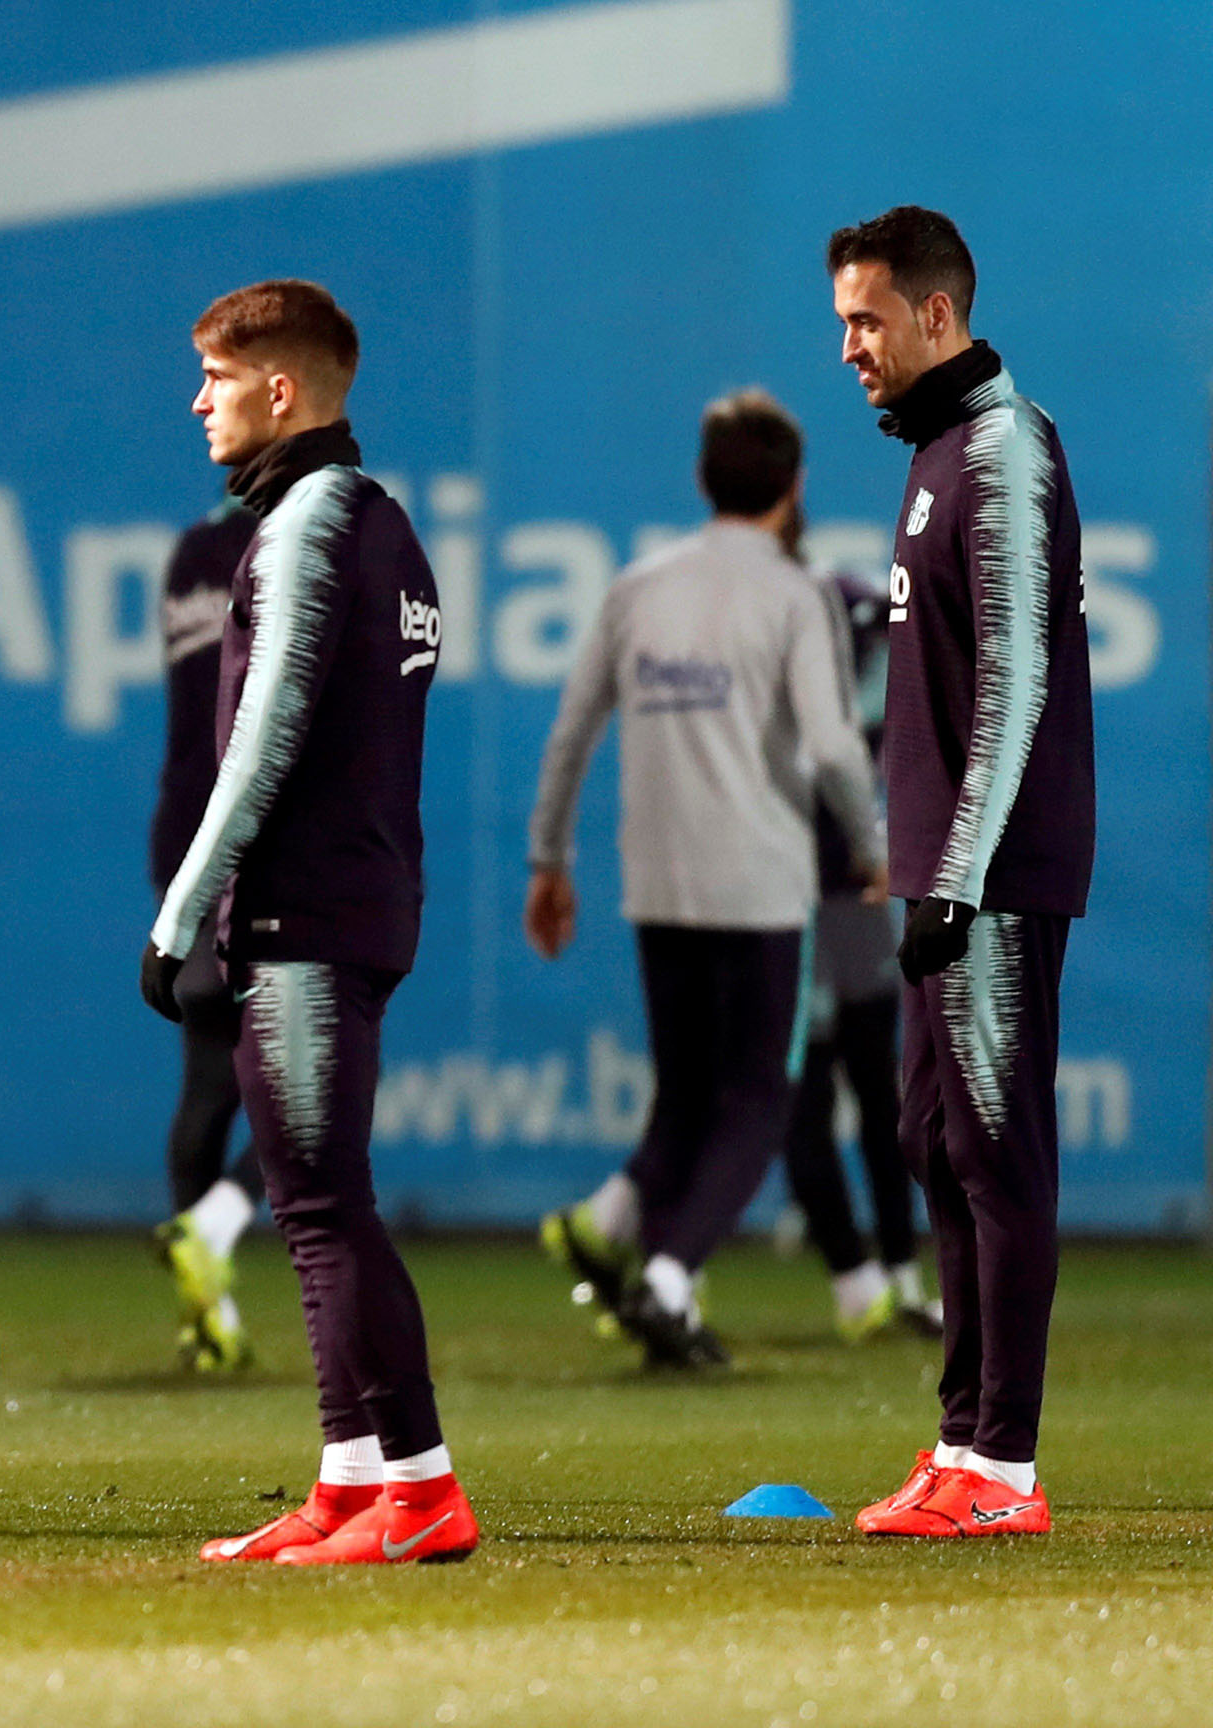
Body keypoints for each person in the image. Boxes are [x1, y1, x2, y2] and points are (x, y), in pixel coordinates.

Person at [143, 278, 476, 1565]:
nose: (199, 402)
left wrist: (179, 916)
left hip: (304, 912)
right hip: (363, 899)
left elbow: (265, 738)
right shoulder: (386, 526)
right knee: (307, 1201)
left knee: (328, 1205)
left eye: (216, 380)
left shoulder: (299, 533)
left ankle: (425, 1489)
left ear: (281, 391)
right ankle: (348, 1484)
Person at [826, 207, 1090, 1538]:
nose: (849, 348)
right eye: (841, 325)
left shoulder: (1000, 451)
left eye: (866, 320)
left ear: (937, 314)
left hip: (988, 878)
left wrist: (961, 873)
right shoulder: (937, 452)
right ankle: (960, 1444)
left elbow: (1021, 677)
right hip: (943, 871)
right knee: (939, 1144)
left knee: (995, 1151)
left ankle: (1008, 1466)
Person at [527, 389, 884, 1368]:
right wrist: (876, 845)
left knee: (686, 1098)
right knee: (758, 1103)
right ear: (795, 486)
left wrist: (549, 861)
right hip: (761, 883)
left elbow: (569, 737)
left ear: (701, 478)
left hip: (659, 880)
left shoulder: (638, 585)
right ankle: (671, 1277)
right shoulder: (795, 595)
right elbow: (835, 747)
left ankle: (610, 1227)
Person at [778, 513, 940, 1342]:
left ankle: (894, 1278)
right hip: (794, 905)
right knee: (795, 1102)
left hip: (849, 905)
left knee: (881, 1096)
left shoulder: (868, 649)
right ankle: (861, 1281)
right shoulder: (795, 657)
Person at [146, 500, 264, 1371]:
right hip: (261, 843)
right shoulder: (296, 544)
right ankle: (215, 1226)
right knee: (316, 1081)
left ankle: (209, 1312)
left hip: (183, 834)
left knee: (207, 1080)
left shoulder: (192, 551)